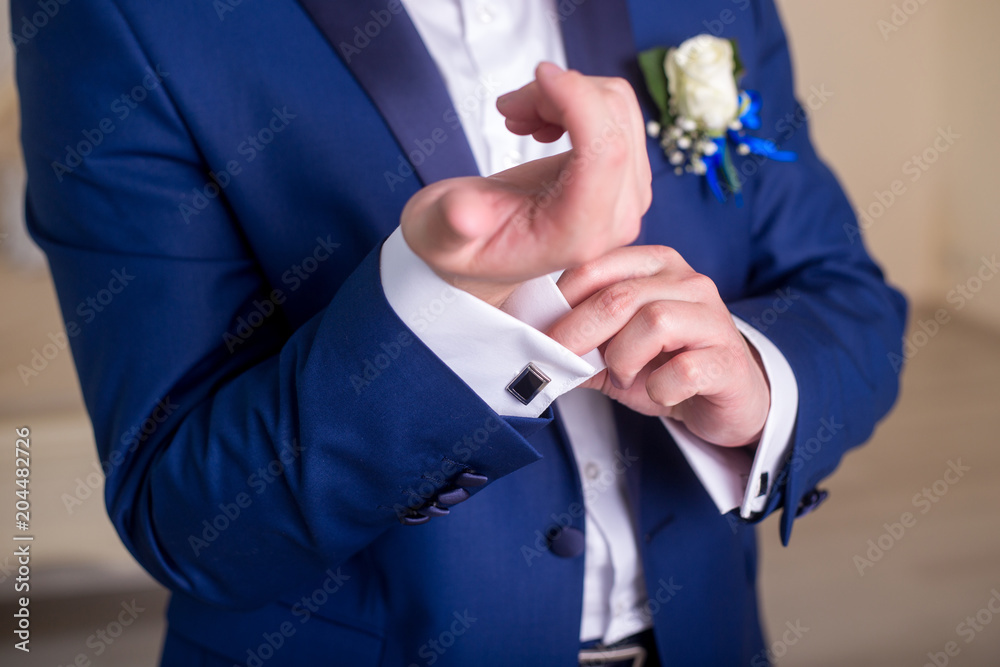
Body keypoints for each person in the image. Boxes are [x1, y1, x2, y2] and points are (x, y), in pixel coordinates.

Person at [13, 0, 906, 664]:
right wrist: (444, 306)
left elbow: (848, 296)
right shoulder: (117, 18)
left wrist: (757, 376)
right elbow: (189, 519)